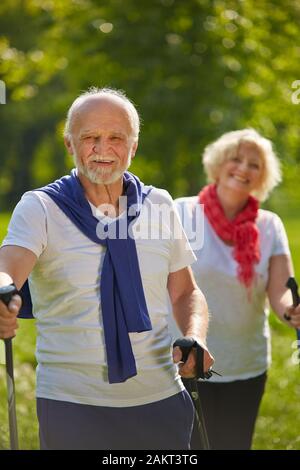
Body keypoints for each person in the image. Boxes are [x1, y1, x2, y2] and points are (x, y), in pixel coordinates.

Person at [0, 87, 214, 450]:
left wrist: (196, 336)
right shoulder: (40, 207)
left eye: (116, 137)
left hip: (162, 398)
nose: (102, 149)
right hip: (73, 406)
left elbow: (185, 291)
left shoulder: (159, 205)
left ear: (133, 146)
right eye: (90, 137)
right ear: (70, 144)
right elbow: (8, 269)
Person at [170, 129, 300, 450]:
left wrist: (291, 310)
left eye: (254, 164)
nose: (243, 168)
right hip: (184, 358)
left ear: (263, 175)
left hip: (246, 363)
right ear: (218, 163)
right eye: (236, 159)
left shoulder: (269, 226)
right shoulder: (180, 212)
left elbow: (280, 289)